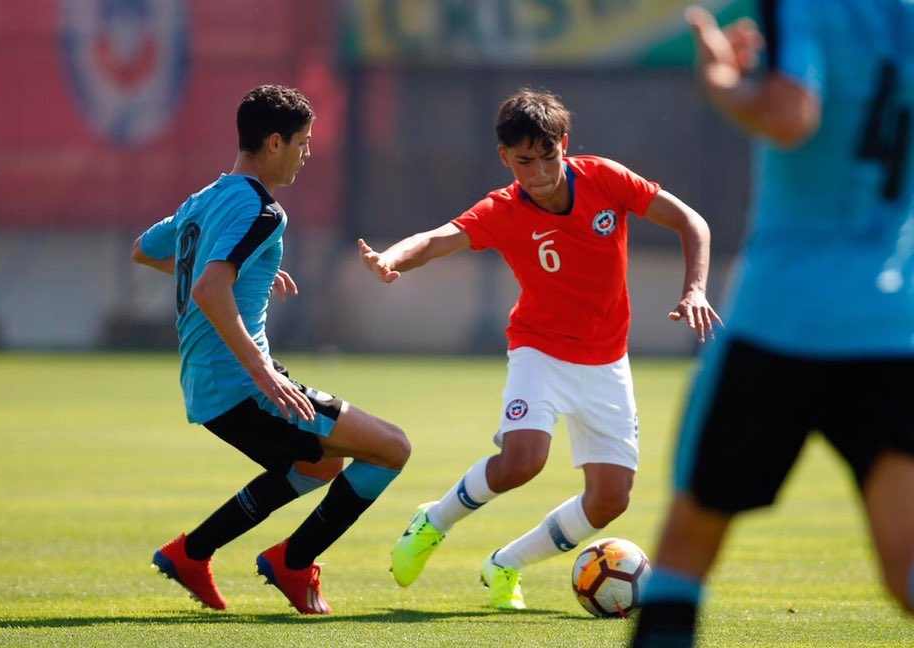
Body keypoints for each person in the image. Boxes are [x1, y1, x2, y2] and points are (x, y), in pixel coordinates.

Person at [358, 88, 721, 610]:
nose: (540, 171)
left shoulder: (603, 178)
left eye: (548, 156)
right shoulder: (502, 210)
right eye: (525, 161)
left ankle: (507, 564)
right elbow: (439, 239)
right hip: (540, 352)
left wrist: (694, 289)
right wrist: (392, 258)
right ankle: (433, 521)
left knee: (610, 500)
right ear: (505, 158)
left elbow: (692, 222)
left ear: (564, 145)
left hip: (607, 361)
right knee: (523, 460)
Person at [630, 4, 914, 646]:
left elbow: (791, 117)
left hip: (783, 321)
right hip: (894, 325)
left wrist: (723, 83)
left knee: (684, 548)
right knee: (906, 568)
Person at [131, 84, 410, 615]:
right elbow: (208, 288)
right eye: (303, 143)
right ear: (275, 142)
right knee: (392, 448)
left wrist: (241, 272)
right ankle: (293, 563)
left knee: (322, 466)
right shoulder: (263, 211)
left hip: (207, 385)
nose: (307, 155)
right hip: (241, 383)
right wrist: (262, 370)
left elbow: (145, 251)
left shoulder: (204, 200)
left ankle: (193, 553)